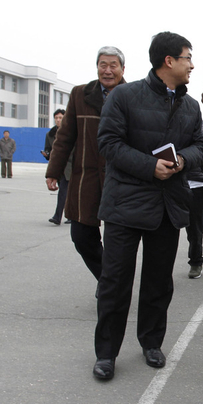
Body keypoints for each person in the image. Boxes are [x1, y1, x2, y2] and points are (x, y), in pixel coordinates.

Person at [92, 32, 203, 381]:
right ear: (168, 61)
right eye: (187, 57)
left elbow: (202, 147)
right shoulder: (125, 96)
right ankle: (106, 353)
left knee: (159, 281)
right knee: (115, 282)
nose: (192, 64)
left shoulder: (190, 106)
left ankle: (151, 342)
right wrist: (149, 166)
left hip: (166, 207)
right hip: (125, 205)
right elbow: (108, 142)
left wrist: (183, 161)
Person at [45, 47, 125, 289]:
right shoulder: (80, 94)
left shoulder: (132, 94)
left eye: (113, 65)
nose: (108, 70)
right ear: (97, 66)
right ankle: (108, 282)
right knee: (80, 236)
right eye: (103, 64)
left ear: (123, 68)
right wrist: (53, 171)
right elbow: (65, 136)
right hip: (85, 179)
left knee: (117, 242)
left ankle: (110, 288)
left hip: (120, 180)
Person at [185, 121, 203, 279]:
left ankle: (196, 262)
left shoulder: (200, 125)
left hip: (194, 183)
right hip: (168, 182)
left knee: (195, 228)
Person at [43, 109, 72, 225]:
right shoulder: (50, 134)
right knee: (65, 192)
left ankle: (57, 216)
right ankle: (69, 215)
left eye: (60, 117)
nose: (58, 120)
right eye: (56, 118)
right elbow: (48, 149)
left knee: (64, 192)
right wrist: (47, 154)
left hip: (69, 166)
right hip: (57, 167)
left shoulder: (71, 131)